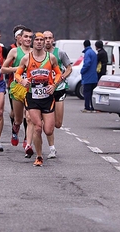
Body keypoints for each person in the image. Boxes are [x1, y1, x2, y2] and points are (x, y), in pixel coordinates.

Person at [15, 32, 62, 166]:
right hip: (32, 97)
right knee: (37, 127)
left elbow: (58, 73)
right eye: (37, 40)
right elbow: (18, 74)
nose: (40, 42)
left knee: (48, 130)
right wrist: (22, 81)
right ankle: (39, 156)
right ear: (33, 42)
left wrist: (54, 85)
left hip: (47, 98)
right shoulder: (26, 58)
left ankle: (44, 149)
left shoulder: (51, 58)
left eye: (42, 40)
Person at [1, 27, 33, 153]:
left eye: (30, 37)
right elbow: (3, 69)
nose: (28, 39)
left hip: (31, 88)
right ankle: (15, 129)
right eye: (25, 37)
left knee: (29, 116)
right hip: (17, 87)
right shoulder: (14, 51)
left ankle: (27, 141)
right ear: (20, 38)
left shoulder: (35, 52)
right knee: (18, 118)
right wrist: (17, 69)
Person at [43, 30, 72, 159]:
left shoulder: (60, 53)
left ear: (53, 39)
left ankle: (48, 123)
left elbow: (69, 68)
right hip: (45, 91)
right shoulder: (38, 54)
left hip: (59, 89)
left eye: (50, 38)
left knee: (58, 123)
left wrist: (62, 77)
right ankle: (52, 148)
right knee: (48, 123)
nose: (47, 40)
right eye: (45, 38)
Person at [80, 40, 98, 112]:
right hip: (94, 76)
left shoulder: (87, 53)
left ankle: (87, 107)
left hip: (88, 77)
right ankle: (93, 107)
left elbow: (87, 63)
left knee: (87, 92)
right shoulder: (93, 52)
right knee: (92, 93)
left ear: (84, 45)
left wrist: (82, 71)